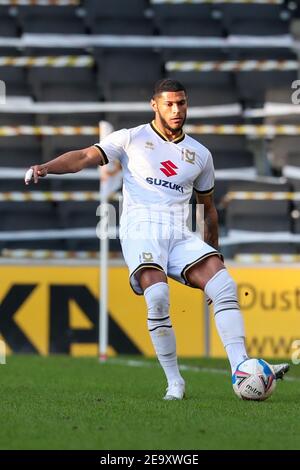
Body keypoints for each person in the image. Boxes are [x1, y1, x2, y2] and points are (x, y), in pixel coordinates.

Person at [25, 79, 289, 400]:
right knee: (159, 295)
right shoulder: (131, 138)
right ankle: (174, 381)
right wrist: (45, 168)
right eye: (169, 104)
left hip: (179, 232)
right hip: (140, 228)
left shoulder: (201, 155)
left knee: (223, 285)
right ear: (155, 105)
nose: (176, 110)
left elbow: (208, 211)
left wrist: (213, 254)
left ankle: (241, 368)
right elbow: (83, 156)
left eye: (181, 103)